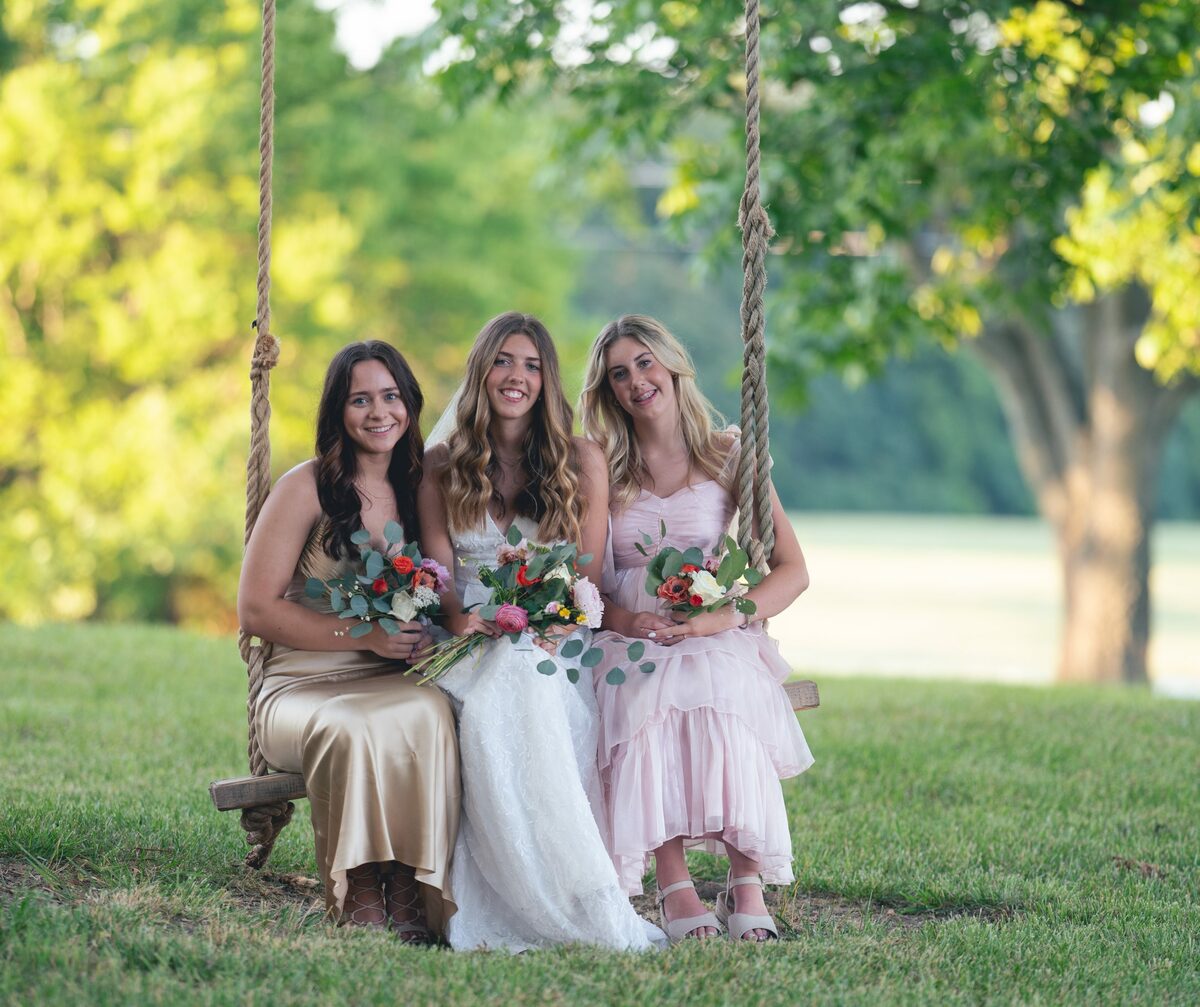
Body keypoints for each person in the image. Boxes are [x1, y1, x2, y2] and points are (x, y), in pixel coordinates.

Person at [418, 311, 663, 952]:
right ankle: (533, 893)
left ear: (547, 380)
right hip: (469, 640)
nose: (516, 376)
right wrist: (461, 619)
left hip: (557, 633)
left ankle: (578, 894)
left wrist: (546, 617)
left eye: (531, 365)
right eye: (503, 361)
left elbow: (586, 574)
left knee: (525, 666)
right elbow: (440, 579)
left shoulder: (580, 459)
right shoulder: (441, 465)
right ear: (481, 371)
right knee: (506, 671)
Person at [580, 314, 815, 943]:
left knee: (723, 687)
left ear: (672, 365)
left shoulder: (728, 454)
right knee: (642, 691)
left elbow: (793, 571)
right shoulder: (604, 464)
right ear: (608, 391)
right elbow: (589, 582)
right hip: (631, 633)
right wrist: (628, 620)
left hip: (713, 627)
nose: (636, 381)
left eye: (645, 363)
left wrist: (723, 617)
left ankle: (746, 881)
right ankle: (675, 883)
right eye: (619, 374)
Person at [238, 341, 459, 942]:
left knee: (432, 711)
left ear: (410, 404)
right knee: (352, 726)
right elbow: (255, 609)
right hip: (301, 685)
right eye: (360, 400)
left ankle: (408, 882)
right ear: (338, 410)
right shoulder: (305, 487)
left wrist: (420, 638)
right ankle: (358, 881)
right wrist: (365, 636)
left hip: (390, 679)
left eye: (390, 396)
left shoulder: (420, 491)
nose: (378, 412)